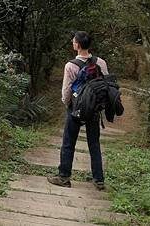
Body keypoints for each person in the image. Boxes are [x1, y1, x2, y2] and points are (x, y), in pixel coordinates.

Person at [47, 31, 109, 190]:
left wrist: (67, 104)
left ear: (78, 45)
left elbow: (66, 90)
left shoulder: (71, 65)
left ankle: (64, 177)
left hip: (76, 109)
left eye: (73, 41)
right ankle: (99, 179)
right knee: (94, 143)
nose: (72, 42)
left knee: (68, 142)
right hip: (94, 109)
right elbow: (105, 85)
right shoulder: (100, 62)